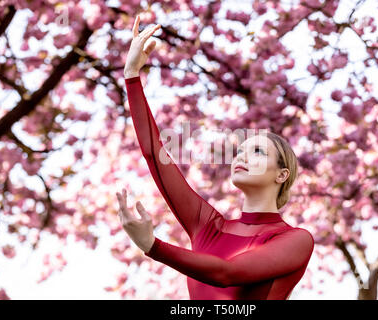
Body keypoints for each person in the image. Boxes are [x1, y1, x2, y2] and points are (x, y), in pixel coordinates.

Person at [116, 13, 314, 300]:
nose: (241, 157)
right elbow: (154, 154)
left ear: (282, 175)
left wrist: (153, 246)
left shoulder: (295, 239)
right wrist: (132, 75)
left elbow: (226, 273)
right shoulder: (207, 226)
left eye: (257, 151)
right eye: (240, 151)